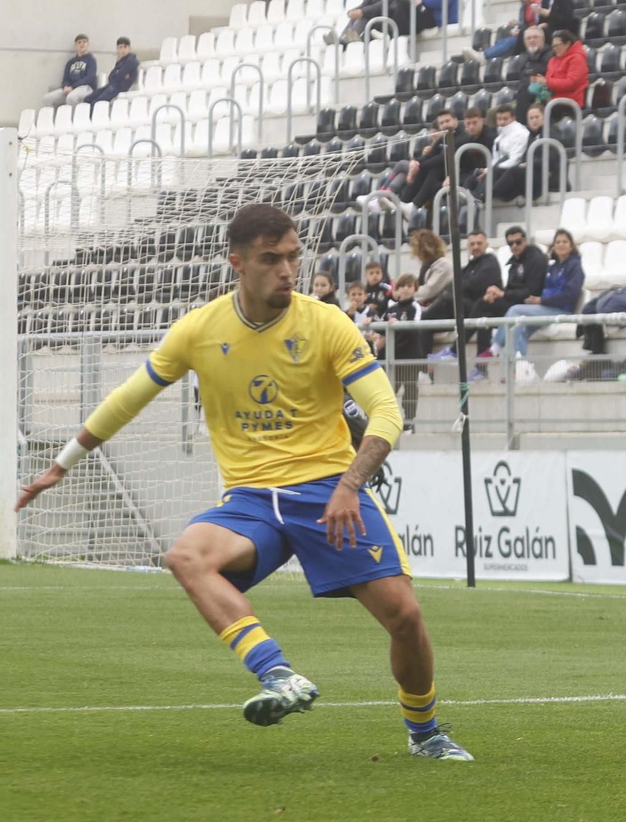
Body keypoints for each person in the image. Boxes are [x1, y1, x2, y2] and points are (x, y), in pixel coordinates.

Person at [16, 204, 473, 761]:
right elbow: (129, 397)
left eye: (293, 257)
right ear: (238, 263)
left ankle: (424, 732)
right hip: (250, 500)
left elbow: (386, 411)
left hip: (327, 489)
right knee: (186, 556)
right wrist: (62, 463)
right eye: (271, 259)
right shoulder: (200, 330)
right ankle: (278, 674)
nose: (287, 270)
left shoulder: (327, 322)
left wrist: (350, 484)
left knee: (405, 617)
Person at [495, 229, 585, 359]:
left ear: (571, 246)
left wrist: (542, 301)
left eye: (565, 242)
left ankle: (495, 346)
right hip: (547, 308)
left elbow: (570, 295)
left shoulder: (575, 267)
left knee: (515, 310)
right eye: (558, 242)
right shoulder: (553, 267)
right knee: (519, 327)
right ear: (554, 246)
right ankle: (518, 365)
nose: (561, 244)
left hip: (561, 309)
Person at [422, 230, 505, 368]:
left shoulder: (490, 262)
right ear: (468, 246)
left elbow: (475, 285)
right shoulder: (469, 266)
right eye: (472, 244)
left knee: (448, 299)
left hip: (482, 309)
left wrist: (461, 288)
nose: (476, 247)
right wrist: (460, 288)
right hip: (465, 308)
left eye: (479, 243)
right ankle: (424, 368)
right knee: (426, 319)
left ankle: (454, 353)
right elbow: (454, 286)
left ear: (486, 244)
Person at [484, 228, 547, 381]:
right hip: (519, 303)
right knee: (484, 305)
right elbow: (513, 289)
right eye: (510, 243)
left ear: (525, 240)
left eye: (518, 242)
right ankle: (511, 370)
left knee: (515, 316)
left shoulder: (536, 260)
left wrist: (503, 294)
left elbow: (531, 291)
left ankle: (494, 348)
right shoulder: (515, 262)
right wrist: (496, 294)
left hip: (533, 305)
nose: (514, 246)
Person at [399, 110, 463, 216]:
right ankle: (404, 202)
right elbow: (430, 155)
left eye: (447, 121)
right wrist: (416, 162)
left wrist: (421, 165)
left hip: (461, 171)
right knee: (423, 168)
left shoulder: (462, 136)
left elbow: (443, 158)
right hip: (447, 171)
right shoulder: (444, 137)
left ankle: (415, 205)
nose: (445, 125)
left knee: (435, 169)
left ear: (455, 121)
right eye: (442, 123)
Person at [383, 273, 426, 425]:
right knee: (390, 390)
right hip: (394, 356)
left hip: (411, 356)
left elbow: (415, 329)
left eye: (409, 286)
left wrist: (399, 325)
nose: (406, 289)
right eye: (402, 286)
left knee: (410, 389)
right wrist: (371, 322)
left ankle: (409, 420)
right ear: (397, 289)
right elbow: (381, 326)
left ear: (415, 289)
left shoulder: (415, 307)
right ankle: (387, 420)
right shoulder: (392, 308)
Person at [470, 0, 538, 60]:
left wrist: (521, 29)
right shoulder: (523, 7)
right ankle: (484, 54)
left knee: (511, 41)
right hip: (524, 33)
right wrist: (517, 25)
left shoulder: (537, 4)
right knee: (503, 41)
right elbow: (523, 24)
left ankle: (484, 56)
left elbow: (537, 22)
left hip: (534, 34)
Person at [473, 106, 530, 200]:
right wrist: (487, 170)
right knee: (474, 176)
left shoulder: (521, 133)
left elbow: (516, 159)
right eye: (499, 119)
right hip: (500, 169)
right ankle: (470, 197)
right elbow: (495, 159)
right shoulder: (499, 138)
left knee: (494, 171)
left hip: (514, 170)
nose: (502, 122)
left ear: (513, 118)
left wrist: (494, 169)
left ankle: (479, 197)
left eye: (505, 119)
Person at [42, 35, 97, 109]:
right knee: (47, 98)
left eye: (84, 42)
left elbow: (89, 78)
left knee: (71, 98)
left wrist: (73, 87)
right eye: (79, 42)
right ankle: (52, 116)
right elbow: (66, 78)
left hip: (86, 88)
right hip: (70, 88)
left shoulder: (91, 60)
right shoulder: (71, 62)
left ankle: (75, 116)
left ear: (88, 44)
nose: (82, 44)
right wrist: (65, 86)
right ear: (76, 45)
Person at [513, 26, 553, 123]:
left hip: (543, 95)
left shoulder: (551, 55)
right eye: (528, 38)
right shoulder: (523, 57)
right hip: (524, 94)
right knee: (495, 112)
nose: (532, 40)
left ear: (543, 39)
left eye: (535, 37)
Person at [84, 38, 137, 106]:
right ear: (117, 49)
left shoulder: (131, 61)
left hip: (120, 87)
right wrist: (117, 74)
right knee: (88, 98)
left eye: (125, 47)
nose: (123, 50)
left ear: (130, 48)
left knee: (96, 102)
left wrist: (117, 74)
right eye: (120, 47)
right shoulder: (120, 62)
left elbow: (119, 75)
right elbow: (111, 76)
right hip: (112, 85)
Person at [544, 30, 589, 110]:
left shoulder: (577, 58)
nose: (555, 49)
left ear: (567, 44)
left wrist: (546, 82)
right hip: (554, 100)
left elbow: (571, 83)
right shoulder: (552, 60)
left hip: (571, 102)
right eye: (553, 46)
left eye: (558, 45)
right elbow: (548, 79)